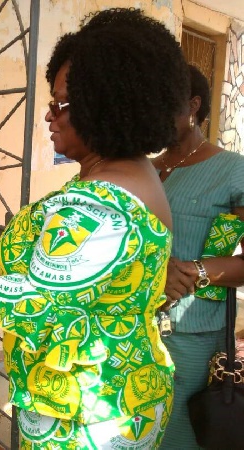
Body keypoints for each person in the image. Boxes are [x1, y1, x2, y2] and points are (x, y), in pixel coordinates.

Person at [0, 8, 191, 449]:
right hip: (119, 386)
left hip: (89, 411)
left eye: (59, 103)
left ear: (103, 103)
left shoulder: (99, 203)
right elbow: (62, 258)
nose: (49, 114)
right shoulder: (127, 175)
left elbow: (34, 305)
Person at [152, 64, 244, 449]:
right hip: (130, 332)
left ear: (193, 106)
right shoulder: (143, 169)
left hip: (191, 338)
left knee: (178, 438)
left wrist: (196, 271)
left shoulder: (233, 171)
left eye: (163, 105)